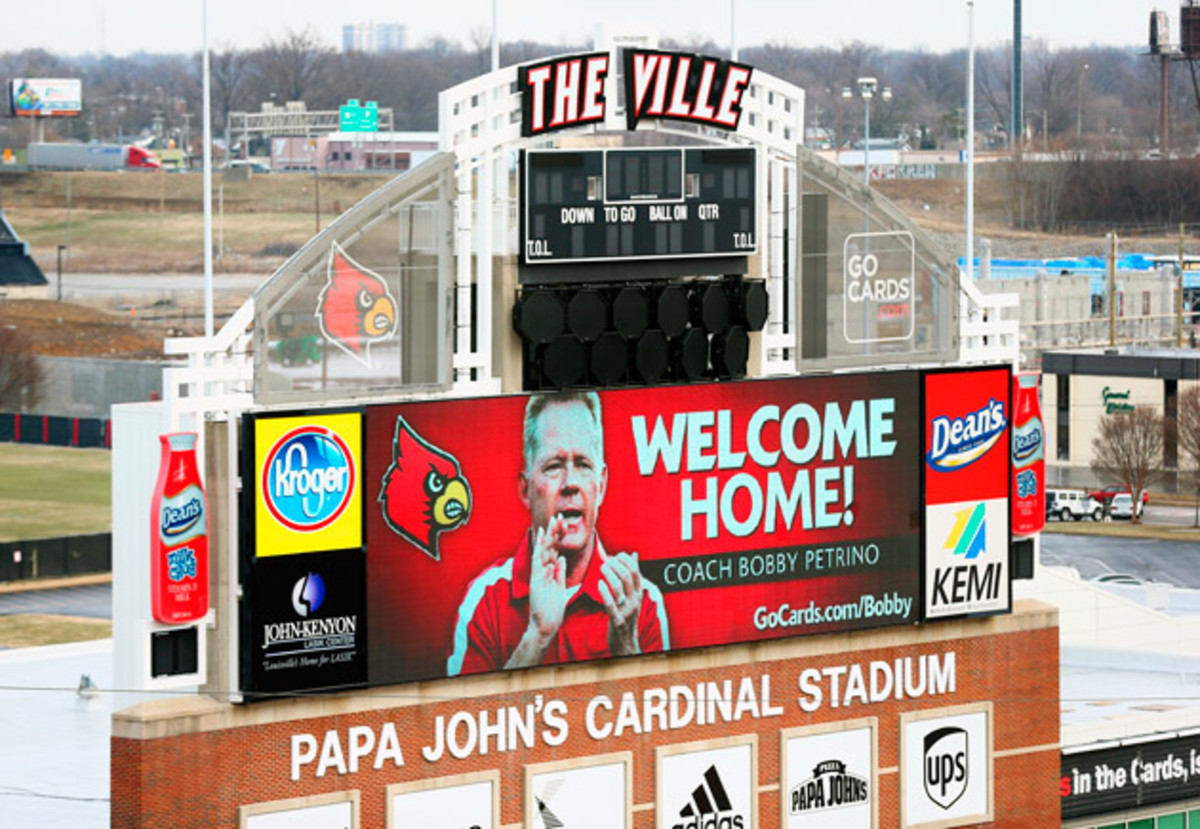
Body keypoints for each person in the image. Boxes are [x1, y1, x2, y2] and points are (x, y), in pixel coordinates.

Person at [447, 391, 669, 676]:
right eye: (553, 466)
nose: (570, 483)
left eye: (583, 464)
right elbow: (464, 718)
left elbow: (655, 715)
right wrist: (537, 636)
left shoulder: (641, 602)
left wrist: (625, 648)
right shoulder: (484, 601)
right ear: (526, 490)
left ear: (600, 486)